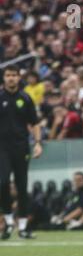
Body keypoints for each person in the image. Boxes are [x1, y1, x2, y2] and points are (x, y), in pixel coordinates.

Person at [0, 65, 43, 239]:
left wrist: (38, 143)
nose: (11, 78)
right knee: (2, 182)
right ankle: (9, 221)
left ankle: (23, 227)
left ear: (19, 78)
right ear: (4, 78)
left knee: (21, 186)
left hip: (21, 147)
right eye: (8, 75)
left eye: (14, 75)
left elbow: (35, 122)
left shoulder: (25, 98)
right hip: (2, 148)